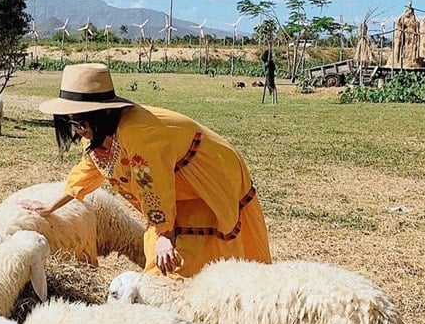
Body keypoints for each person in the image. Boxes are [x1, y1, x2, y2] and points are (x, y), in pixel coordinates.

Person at [23, 63, 271, 278]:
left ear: (102, 113)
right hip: (174, 190)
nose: (77, 130)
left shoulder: (139, 134)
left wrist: (165, 234)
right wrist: (51, 206)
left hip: (208, 177)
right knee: (165, 253)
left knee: (195, 251)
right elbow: (88, 169)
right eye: (70, 122)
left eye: (79, 122)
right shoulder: (97, 135)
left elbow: (155, 185)